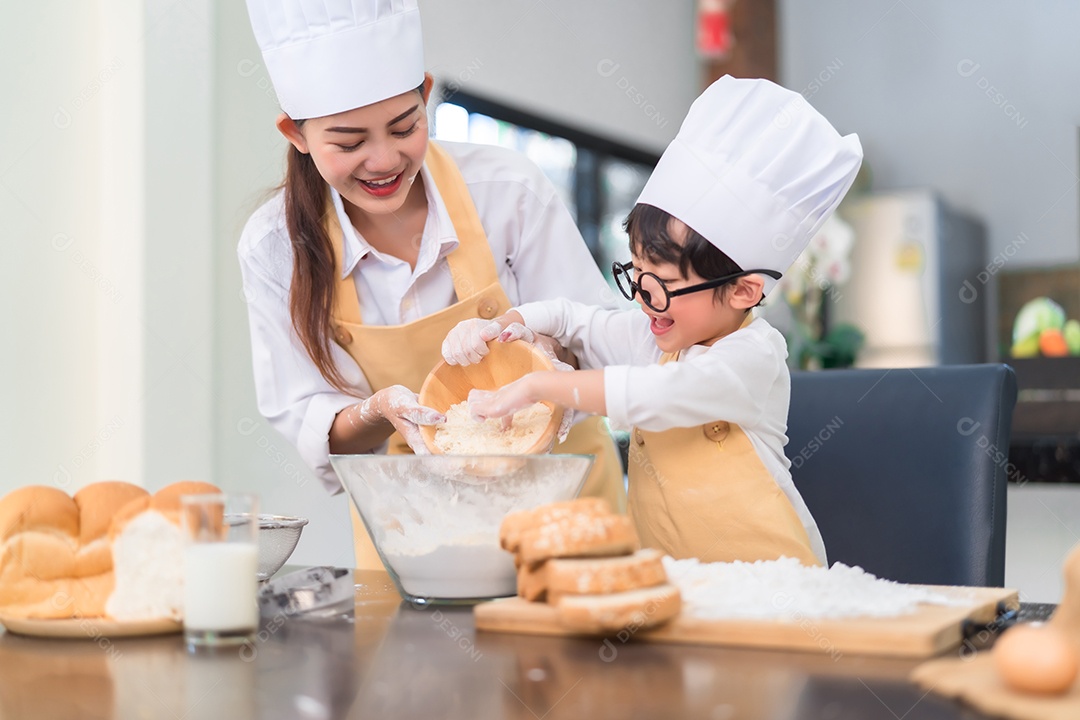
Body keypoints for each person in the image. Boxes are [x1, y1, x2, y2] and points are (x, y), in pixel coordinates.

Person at [239, 0, 626, 570]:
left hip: (561, 512)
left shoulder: (507, 191)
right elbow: (311, 422)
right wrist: (378, 411)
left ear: (426, 93)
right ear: (295, 133)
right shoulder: (274, 246)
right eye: (348, 143)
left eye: (405, 127)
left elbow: (599, 337)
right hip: (415, 529)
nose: (384, 159)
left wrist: (541, 357)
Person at [442, 76, 863, 566]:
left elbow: (659, 394)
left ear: (743, 290)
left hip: (775, 590)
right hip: (682, 587)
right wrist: (514, 321)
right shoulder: (659, 334)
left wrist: (542, 385)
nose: (643, 298)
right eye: (636, 274)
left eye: (660, 283)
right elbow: (578, 320)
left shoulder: (751, 359)